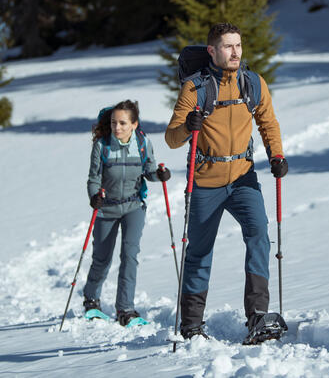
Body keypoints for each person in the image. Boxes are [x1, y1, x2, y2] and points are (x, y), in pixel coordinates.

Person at [165, 22, 288, 340]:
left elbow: (268, 122)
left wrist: (277, 156)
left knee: (259, 234)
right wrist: (189, 125)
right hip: (206, 181)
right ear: (212, 51)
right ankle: (191, 323)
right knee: (200, 252)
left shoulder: (253, 83)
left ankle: (258, 316)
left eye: (238, 45)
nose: (235, 52)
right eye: (228, 46)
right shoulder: (195, 87)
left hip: (243, 177)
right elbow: (171, 138)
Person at [83, 99, 171, 326]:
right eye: (114, 123)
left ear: (134, 124)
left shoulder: (142, 143)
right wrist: (95, 196)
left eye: (122, 123)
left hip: (133, 206)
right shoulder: (102, 146)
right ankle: (91, 299)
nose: (117, 127)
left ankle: (125, 309)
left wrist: (159, 175)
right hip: (107, 208)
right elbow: (93, 178)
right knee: (102, 259)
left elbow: (149, 171)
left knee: (129, 257)